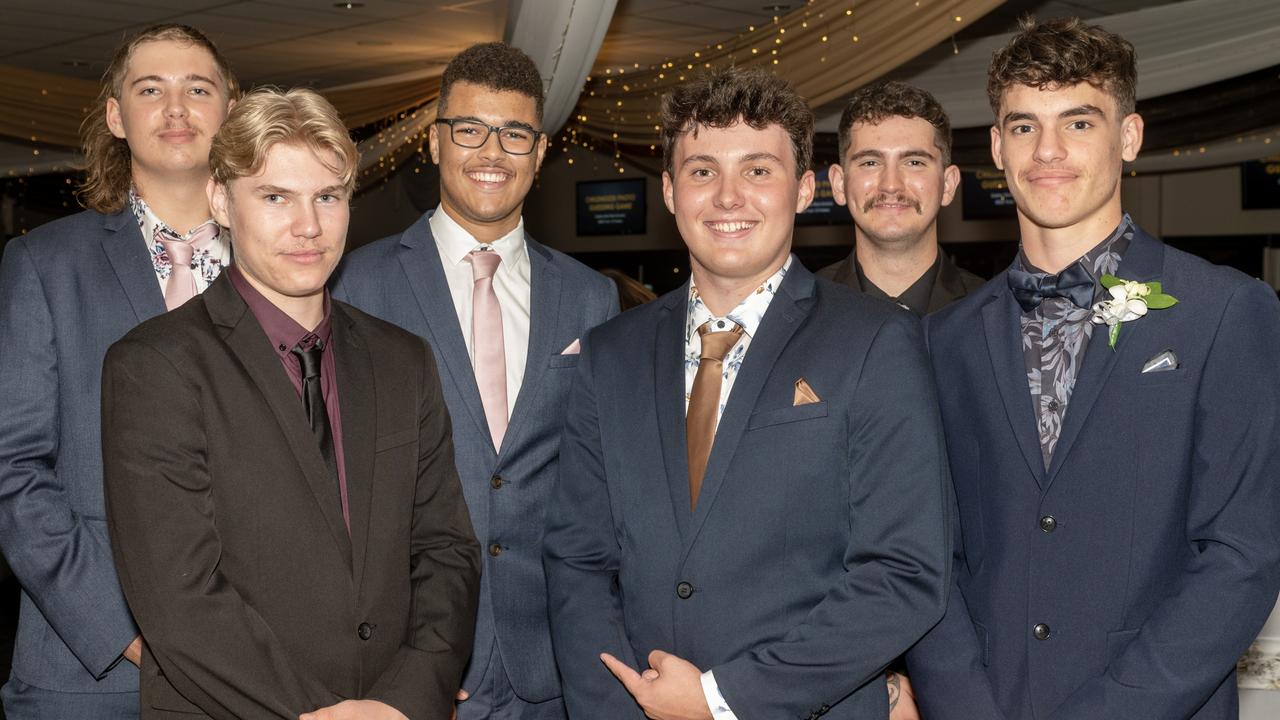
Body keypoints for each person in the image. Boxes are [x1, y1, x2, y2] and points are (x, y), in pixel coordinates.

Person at [543, 67, 949, 720]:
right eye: (703, 172)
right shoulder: (608, 354)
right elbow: (577, 561)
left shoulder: (876, 343)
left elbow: (901, 575)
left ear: (805, 189)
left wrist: (718, 700)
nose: (728, 197)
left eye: (758, 170)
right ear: (672, 191)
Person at [906, 17, 1280, 720]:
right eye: (1023, 127)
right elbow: (927, 556)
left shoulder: (1226, 312)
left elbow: (1242, 557)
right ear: (995, 146)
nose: (1048, 151)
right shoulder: (943, 340)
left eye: (1078, 124)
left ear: (1129, 138)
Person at [102, 87, 481, 720]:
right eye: (275, 197)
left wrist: (404, 699)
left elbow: (446, 549)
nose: (308, 226)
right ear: (222, 201)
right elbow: (179, 597)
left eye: (326, 197)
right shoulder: (154, 365)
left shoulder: (402, 359)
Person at [332, 42, 617, 720]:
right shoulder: (353, 286)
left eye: (514, 133)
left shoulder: (590, 299)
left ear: (540, 152)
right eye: (470, 130)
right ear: (434, 143)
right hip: (405, 669)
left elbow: (602, 485)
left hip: (552, 671)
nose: (493, 152)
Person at [0, 24, 238, 719]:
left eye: (198, 89)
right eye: (150, 89)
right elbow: (13, 470)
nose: (176, 108)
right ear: (115, 115)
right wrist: (131, 632)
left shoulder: (287, 265)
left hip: (266, 665)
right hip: (93, 675)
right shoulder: (45, 266)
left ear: (230, 108)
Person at [819, 80, 984, 316]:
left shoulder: (995, 316)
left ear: (948, 185)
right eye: (870, 163)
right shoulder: (794, 318)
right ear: (838, 184)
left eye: (914, 162)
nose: (891, 185)